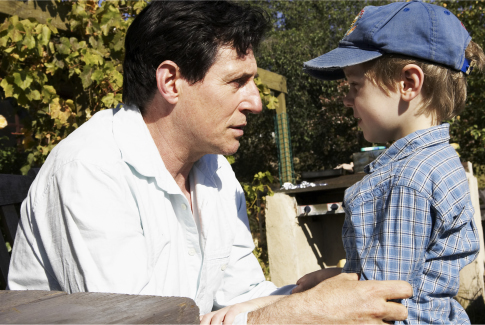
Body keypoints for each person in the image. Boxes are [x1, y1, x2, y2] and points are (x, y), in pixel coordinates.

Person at [7, 1, 412, 324]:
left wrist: (307, 296)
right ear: (170, 83)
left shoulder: (213, 169)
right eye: (237, 82)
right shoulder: (90, 169)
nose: (256, 102)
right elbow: (137, 323)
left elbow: (238, 296)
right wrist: (298, 314)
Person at [301, 1, 484, 324]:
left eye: (354, 85)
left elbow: (382, 305)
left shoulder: (406, 179)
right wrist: (341, 279)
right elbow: (414, 274)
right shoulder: (438, 161)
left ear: (408, 83)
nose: (346, 99)